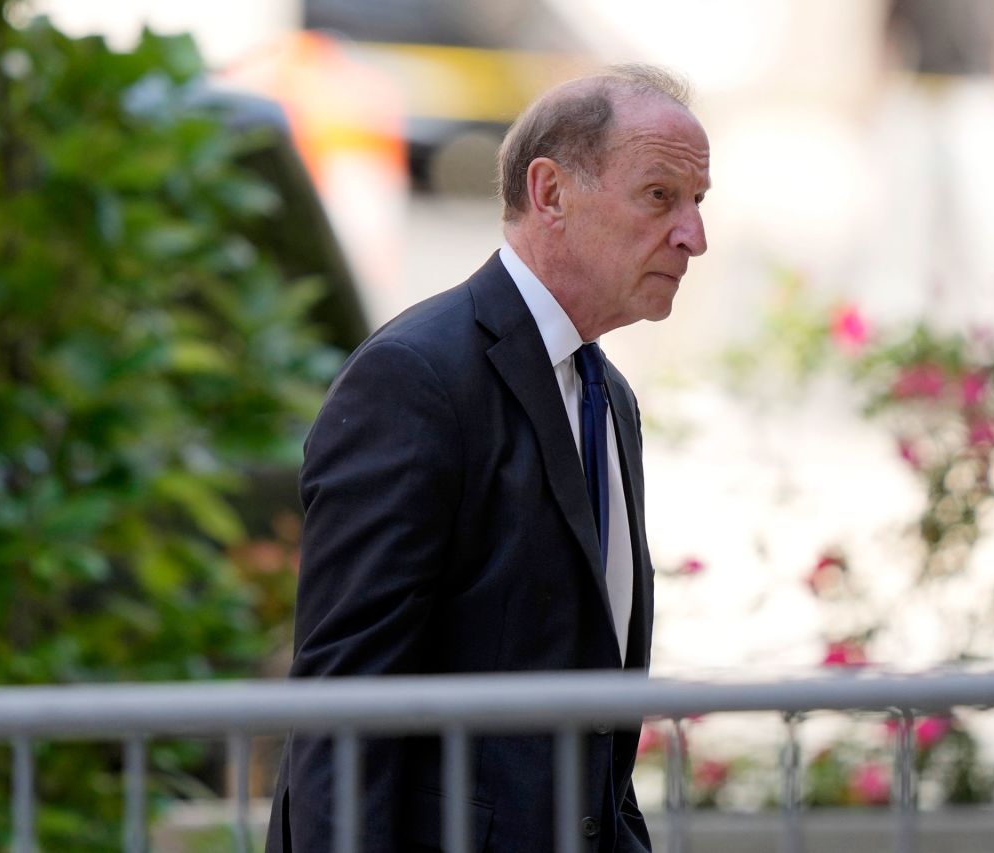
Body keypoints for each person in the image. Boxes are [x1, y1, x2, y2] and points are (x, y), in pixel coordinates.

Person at [266, 64, 710, 852]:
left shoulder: (609, 396)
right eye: (658, 196)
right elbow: (342, 704)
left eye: (696, 204)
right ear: (551, 193)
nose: (693, 237)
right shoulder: (415, 377)